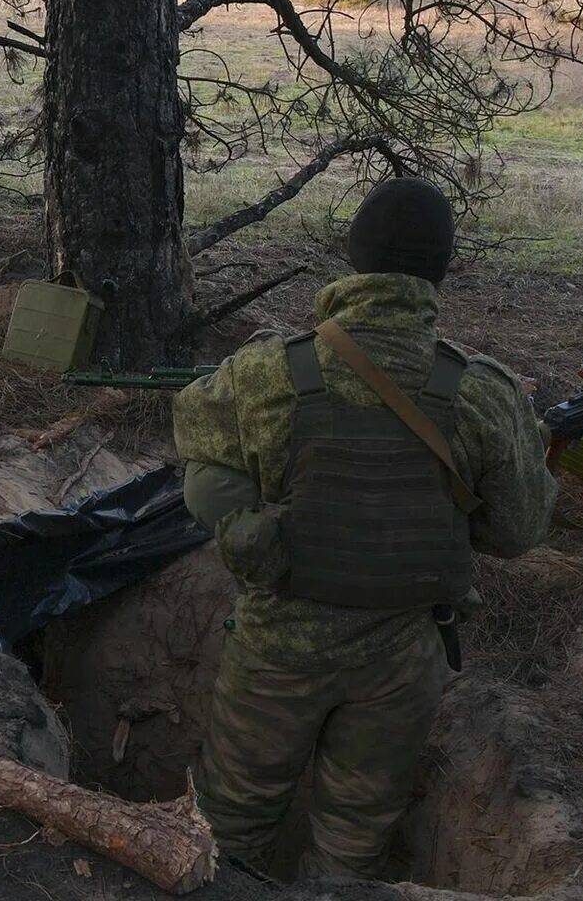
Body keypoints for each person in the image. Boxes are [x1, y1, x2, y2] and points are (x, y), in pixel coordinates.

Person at [172, 176, 556, 879]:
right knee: (353, 844)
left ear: (353, 258)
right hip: (401, 660)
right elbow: (518, 531)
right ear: (442, 268)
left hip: (276, 649)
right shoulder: (482, 393)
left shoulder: (265, 372)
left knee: (227, 831)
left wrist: (255, 529)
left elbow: (199, 451)